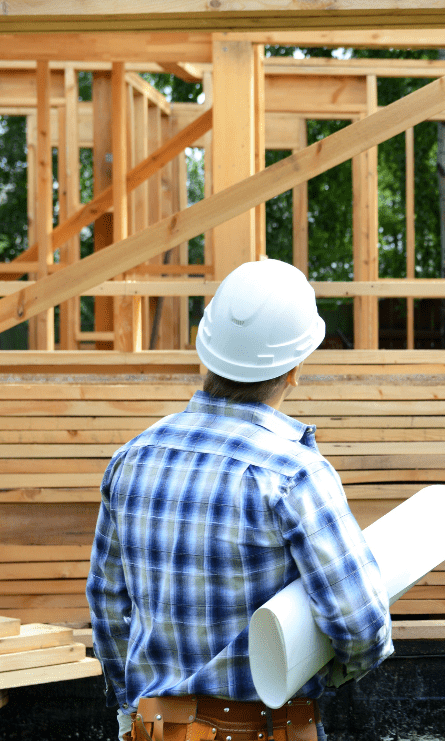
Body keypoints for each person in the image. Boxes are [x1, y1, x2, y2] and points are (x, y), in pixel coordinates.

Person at [87, 259, 394, 741]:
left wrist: (131, 707)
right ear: (294, 368)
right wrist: (331, 672)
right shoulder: (294, 474)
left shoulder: (133, 458)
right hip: (265, 729)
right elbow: (360, 625)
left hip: (153, 729)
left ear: (205, 351)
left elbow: (107, 602)